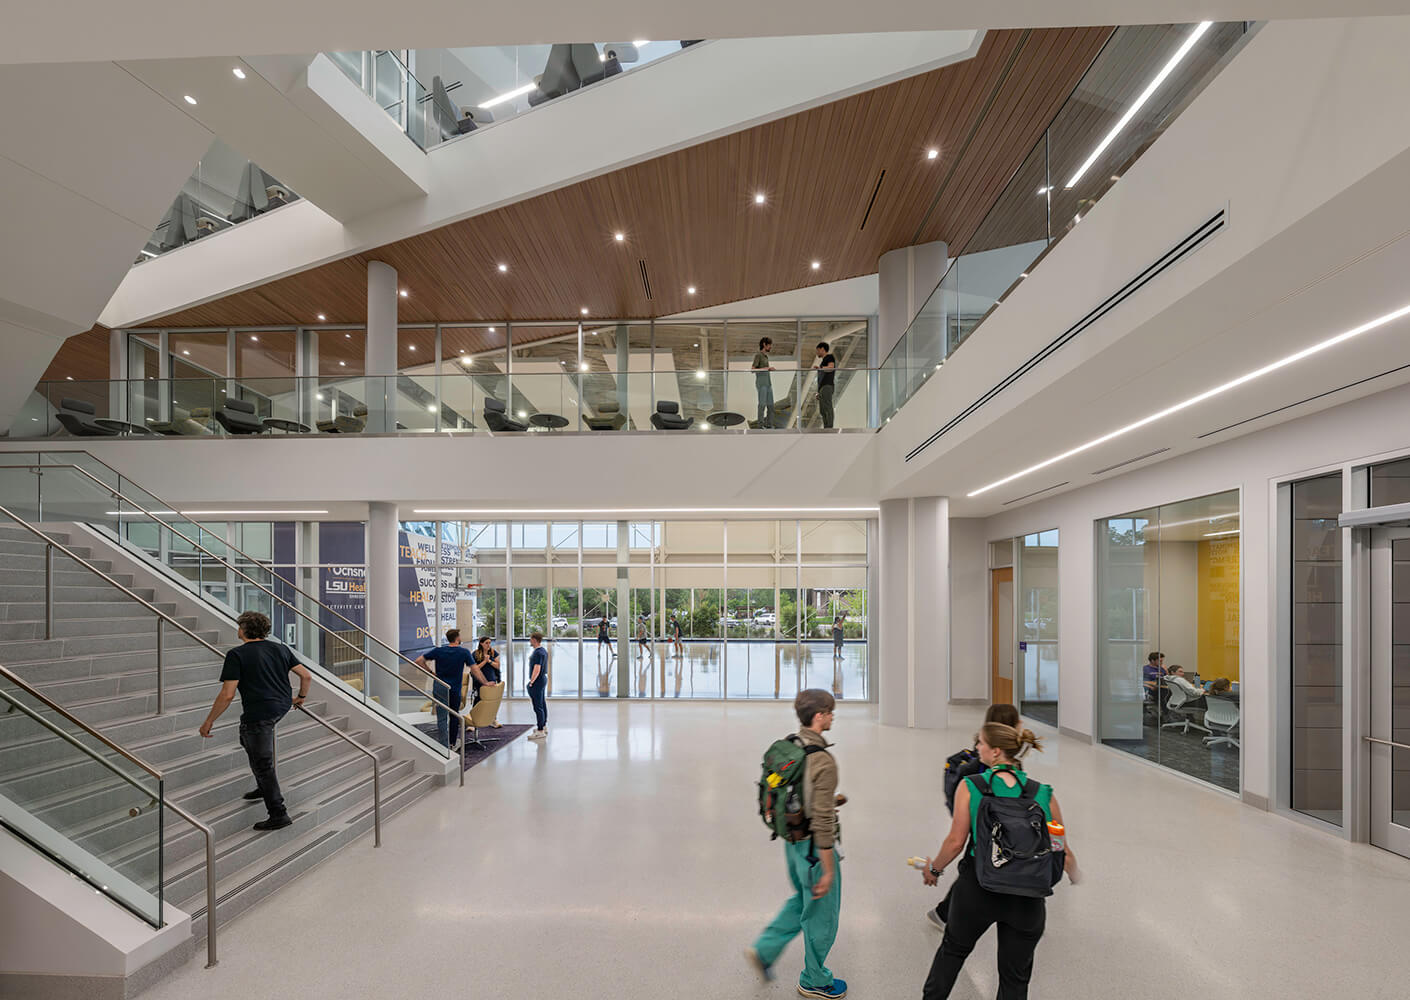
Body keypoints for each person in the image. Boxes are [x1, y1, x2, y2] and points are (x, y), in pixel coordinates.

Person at [920, 723, 1076, 1000]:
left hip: (978, 889)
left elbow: (956, 841)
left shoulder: (971, 787)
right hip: (1027, 898)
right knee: (1015, 979)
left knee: (953, 952)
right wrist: (1073, 873)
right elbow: (1060, 848)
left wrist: (934, 869)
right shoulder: (1042, 793)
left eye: (980, 743)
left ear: (996, 752)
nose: (976, 748)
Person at [747, 689, 848, 999]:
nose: (833, 716)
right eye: (830, 712)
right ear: (818, 717)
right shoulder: (824, 761)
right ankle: (815, 980)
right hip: (814, 851)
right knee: (822, 913)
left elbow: (798, 796)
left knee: (803, 900)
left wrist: (829, 801)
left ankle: (764, 950)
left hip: (792, 844)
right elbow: (821, 821)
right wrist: (829, 869)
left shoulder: (792, 746)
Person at [199, 611, 313, 832]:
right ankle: (264, 785)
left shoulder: (237, 654)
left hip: (260, 712)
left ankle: (278, 814)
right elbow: (306, 676)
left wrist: (209, 721)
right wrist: (301, 698)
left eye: (239, 626)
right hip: (280, 707)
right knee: (248, 740)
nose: (238, 629)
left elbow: (227, 694)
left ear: (243, 629)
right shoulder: (280, 648)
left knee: (262, 761)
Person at [928, 703, 1021, 930]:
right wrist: (935, 869)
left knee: (977, 865)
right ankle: (945, 913)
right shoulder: (987, 760)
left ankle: (945, 912)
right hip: (983, 822)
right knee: (973, 866)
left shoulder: (1000, 753)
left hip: (990, 822)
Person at [414, 629, 473, 749]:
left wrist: (431, 673)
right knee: (454, 715)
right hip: (454, 689)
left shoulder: (439, 651)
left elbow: (419, 661)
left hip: (440, 686)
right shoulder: (463, 652)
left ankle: (443, 745)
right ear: (457, 638)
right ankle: (452, 743)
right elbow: (474, 668)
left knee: (441, 717)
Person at [527, 631, 549, 739]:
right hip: (543, 679)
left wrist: (531, 682)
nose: (530, 641)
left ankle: (540, 730)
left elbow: (537, 668)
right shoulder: (543, 651)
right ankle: (543, 726)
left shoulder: (537, 653)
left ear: (535, 640)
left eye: (531, 639)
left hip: (538, 681)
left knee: (538, 706)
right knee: (542, 703)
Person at [753, 336, 776, 429]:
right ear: (764, 344)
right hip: (761, 383)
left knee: (771, 406)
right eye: (769, 345)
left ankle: (769, 425)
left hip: (768, 383)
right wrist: (767, 368)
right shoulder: (758, 355)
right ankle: (760, 425)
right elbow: (753, 369)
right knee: (762, 404)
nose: (770, 347)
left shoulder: (766, 357)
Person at [813, 342, 837, 429]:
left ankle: (829, 427)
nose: (817, 353)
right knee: (822, 410)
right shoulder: (823, 361)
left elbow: (831, 368)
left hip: (827, 386)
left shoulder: (829, 357)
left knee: (827, 407)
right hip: (823, 388)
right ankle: (826, 427)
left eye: (818, 350)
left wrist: (821, 368)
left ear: (822, 349)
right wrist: (819, 391)